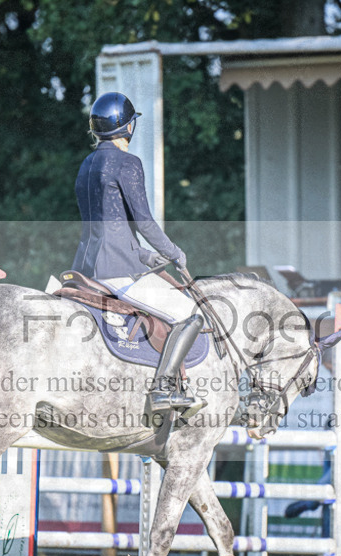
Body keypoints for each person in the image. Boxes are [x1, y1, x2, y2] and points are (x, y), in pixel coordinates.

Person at [72, 92, 204, 414]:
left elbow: (106, 225)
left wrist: (145, 257)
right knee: (189, 313)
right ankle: (162, 389)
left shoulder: (86, 165)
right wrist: (174, 253)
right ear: (128, 128)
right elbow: (143, 222)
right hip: (116, 272)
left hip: (84, 268)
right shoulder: (128, 163)